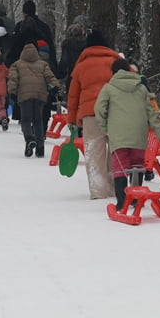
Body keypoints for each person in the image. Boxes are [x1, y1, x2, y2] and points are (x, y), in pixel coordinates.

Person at [94, 59, 160, 210]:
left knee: (120, 166)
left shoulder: (109, 88)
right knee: (137, 164)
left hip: (118, 133)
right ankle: (136, 199)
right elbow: (152, 113)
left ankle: (121, 202)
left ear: (113, 73)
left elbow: (99, 109)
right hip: (139, 133)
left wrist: (105, 127)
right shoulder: (141, 89)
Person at [67, 30, 124, 199]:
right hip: (115, 113)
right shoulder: (117, 62)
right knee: (116, 151)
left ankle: (98, 192)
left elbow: (73, 96)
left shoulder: (81, 67)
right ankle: (116, 189)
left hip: (90, 114)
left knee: (94, 153)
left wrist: (71, 120)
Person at [8, 42, 59, 155]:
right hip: (40, 95)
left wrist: (12, 92)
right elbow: (50, 77)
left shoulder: (16, 65)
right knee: (38, 121)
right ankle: (40, 148)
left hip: (24, 95)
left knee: (25, 120)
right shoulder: (43, 64)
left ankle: (30, 139)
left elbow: (13, 79)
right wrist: (55, 86)